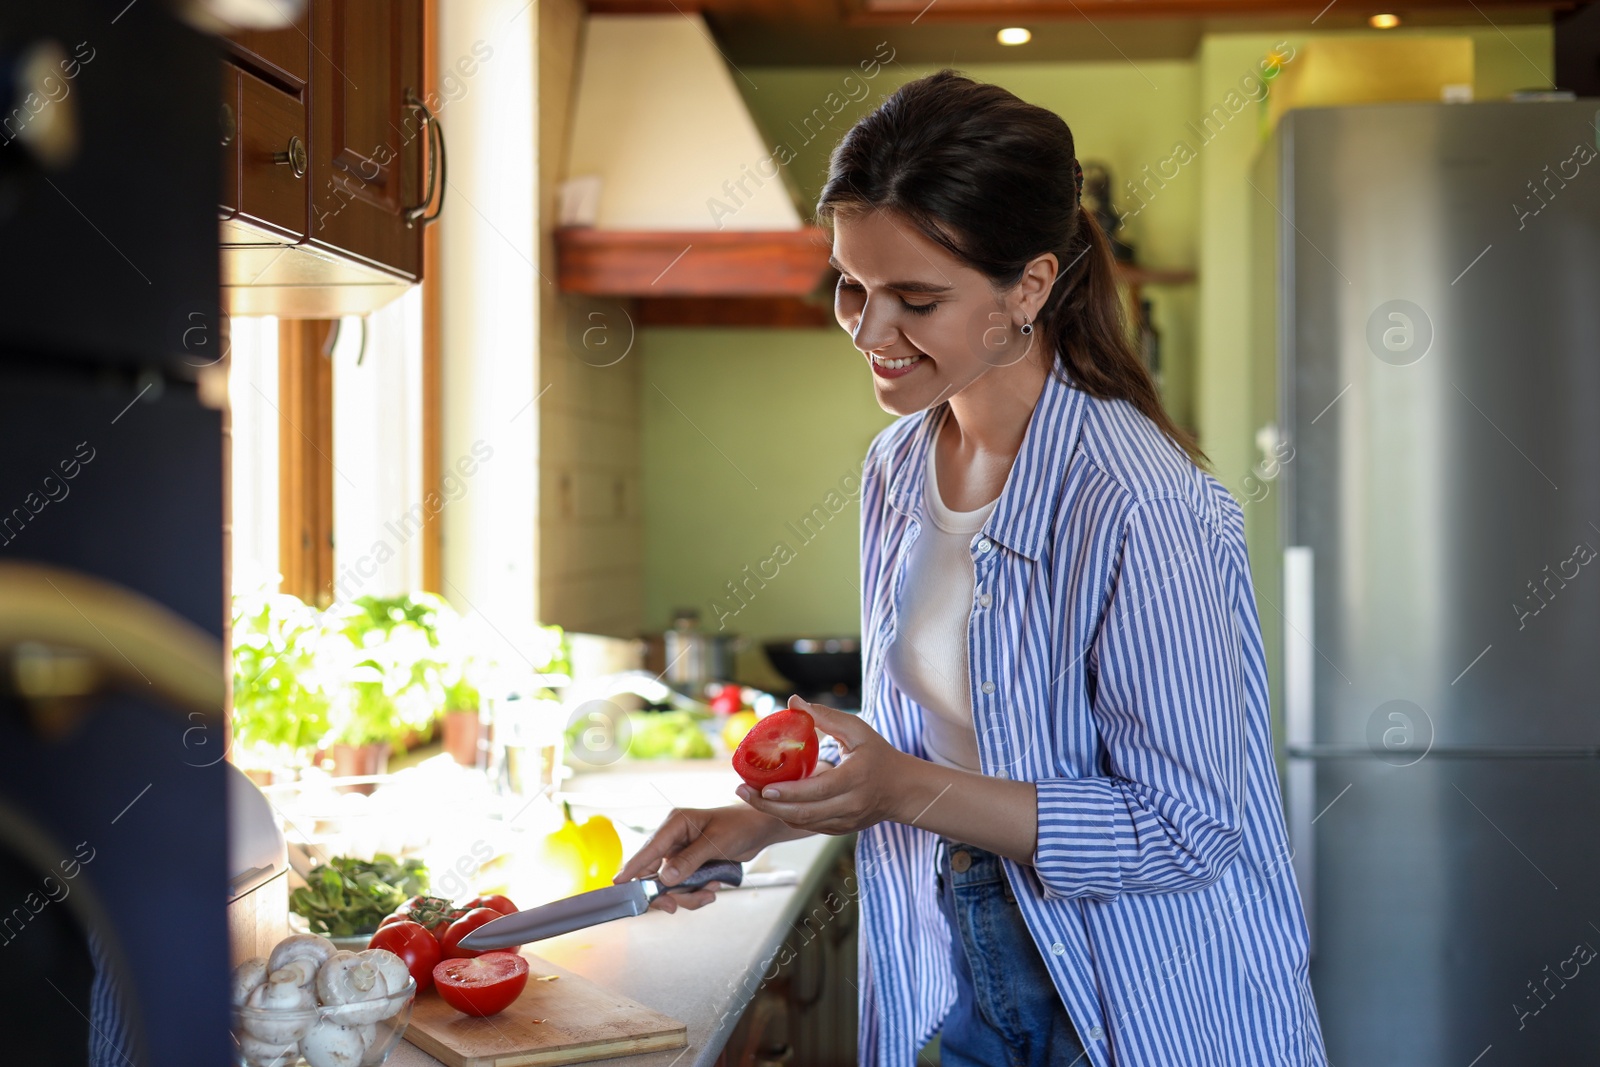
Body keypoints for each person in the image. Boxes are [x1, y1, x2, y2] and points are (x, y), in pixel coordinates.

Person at [615, 70, 1328, 1067]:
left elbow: (1184, 827)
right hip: (956, 952)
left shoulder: (1140, 502)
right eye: (852, 288)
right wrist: (758, 820)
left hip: (1129, 997)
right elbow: (933, 746)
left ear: (1027, 287)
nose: (868, 332)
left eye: (914, 298)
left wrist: (895, 786)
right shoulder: (899, 466)